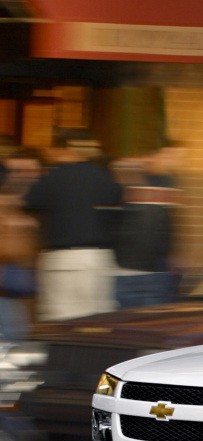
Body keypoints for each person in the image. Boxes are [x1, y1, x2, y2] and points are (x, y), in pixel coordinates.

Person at [23, 129, 123, 322]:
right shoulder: (106, 178)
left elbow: (29, 203)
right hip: (99, 259)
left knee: (60, 323)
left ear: (64, 149)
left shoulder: (53, 178)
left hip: (62, 260)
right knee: (97, 322)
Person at [113, 142, 186, 308]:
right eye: (173, 156)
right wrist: (139, 162)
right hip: (128, 271)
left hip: (158, 272)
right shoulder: (128, 175)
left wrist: (175, 256)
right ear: (157, 154)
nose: (176, 162)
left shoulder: (169, 182)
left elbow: (169, 224)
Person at [0, 147, 42, 339]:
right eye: (15, 172)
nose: (21, 177)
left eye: (28, 171)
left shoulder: (32, 209)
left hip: (16, 296)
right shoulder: (10, 209)